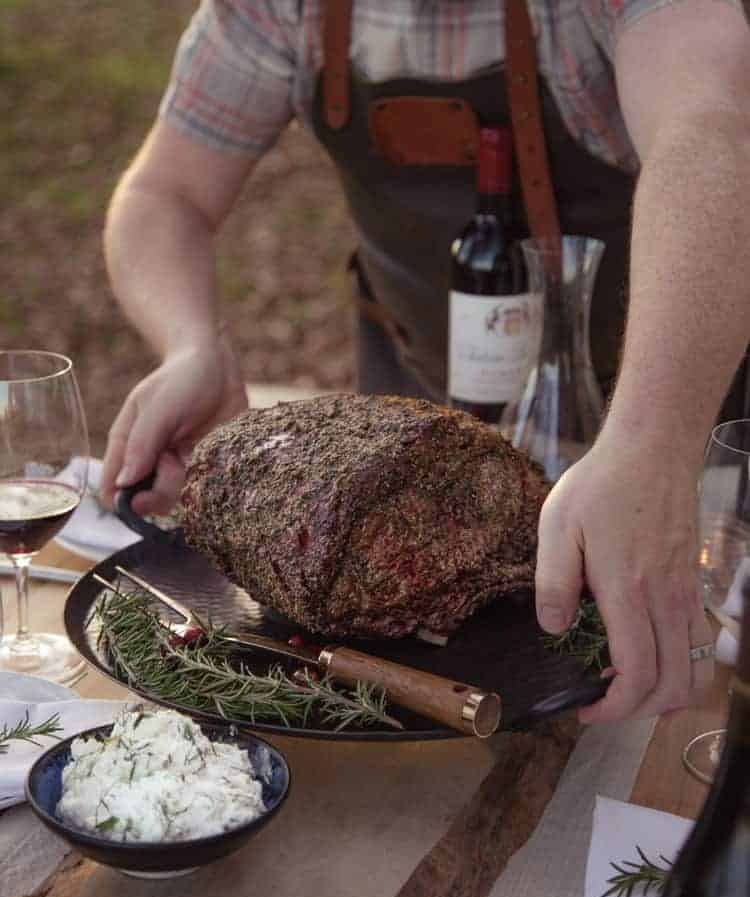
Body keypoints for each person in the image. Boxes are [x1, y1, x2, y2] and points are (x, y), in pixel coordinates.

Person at [99, 0, 750, 726]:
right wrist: (193, 343)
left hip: (673, 442)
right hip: (399, 457)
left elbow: (714, 131)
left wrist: (653, 446)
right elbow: (164, 195)